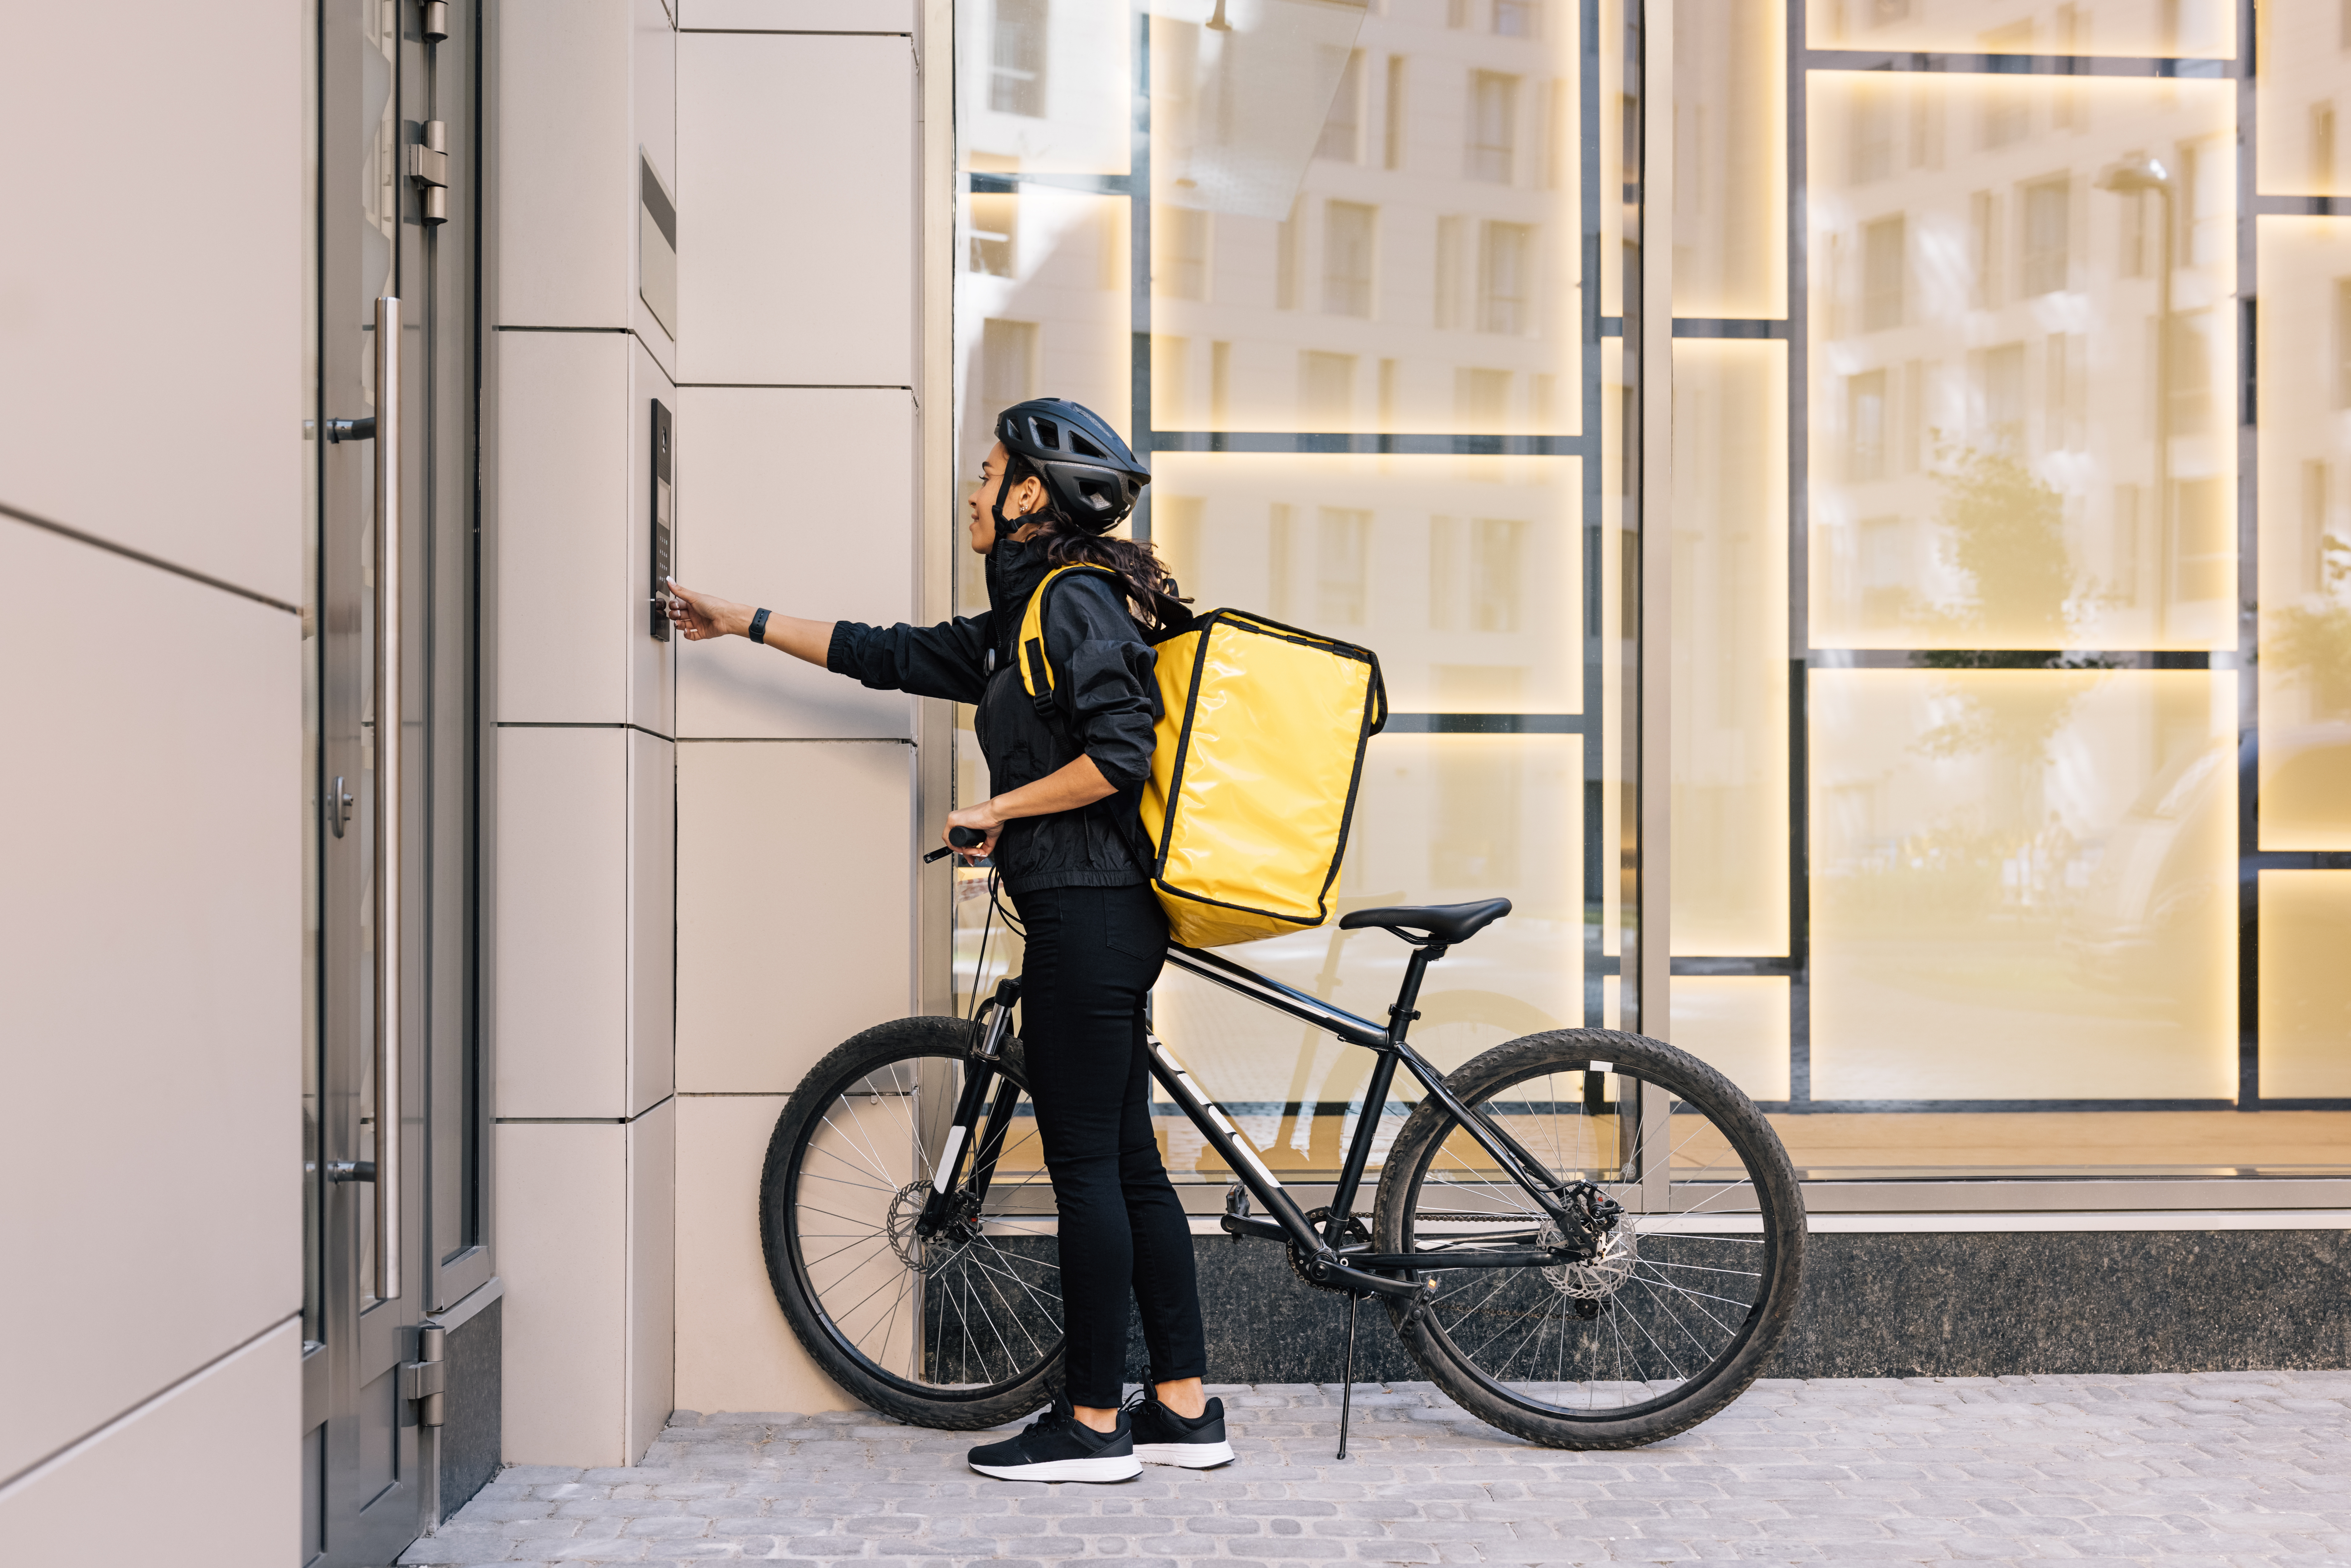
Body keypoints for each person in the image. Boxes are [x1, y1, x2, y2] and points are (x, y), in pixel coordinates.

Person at [663, 398, 1233, 1483]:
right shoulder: (1031, 616)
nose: (971, 489)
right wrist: (739, 618)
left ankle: (1093, 1429)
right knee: (1126, 1163)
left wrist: (1000, 808)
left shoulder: (1072, 604)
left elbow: (1123, 756)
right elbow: (890, 654)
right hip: (1096, 912)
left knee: (1090, 1170)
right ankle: (1181, 1407)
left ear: (1030, 495)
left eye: (987, 472)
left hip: (1090, 913)